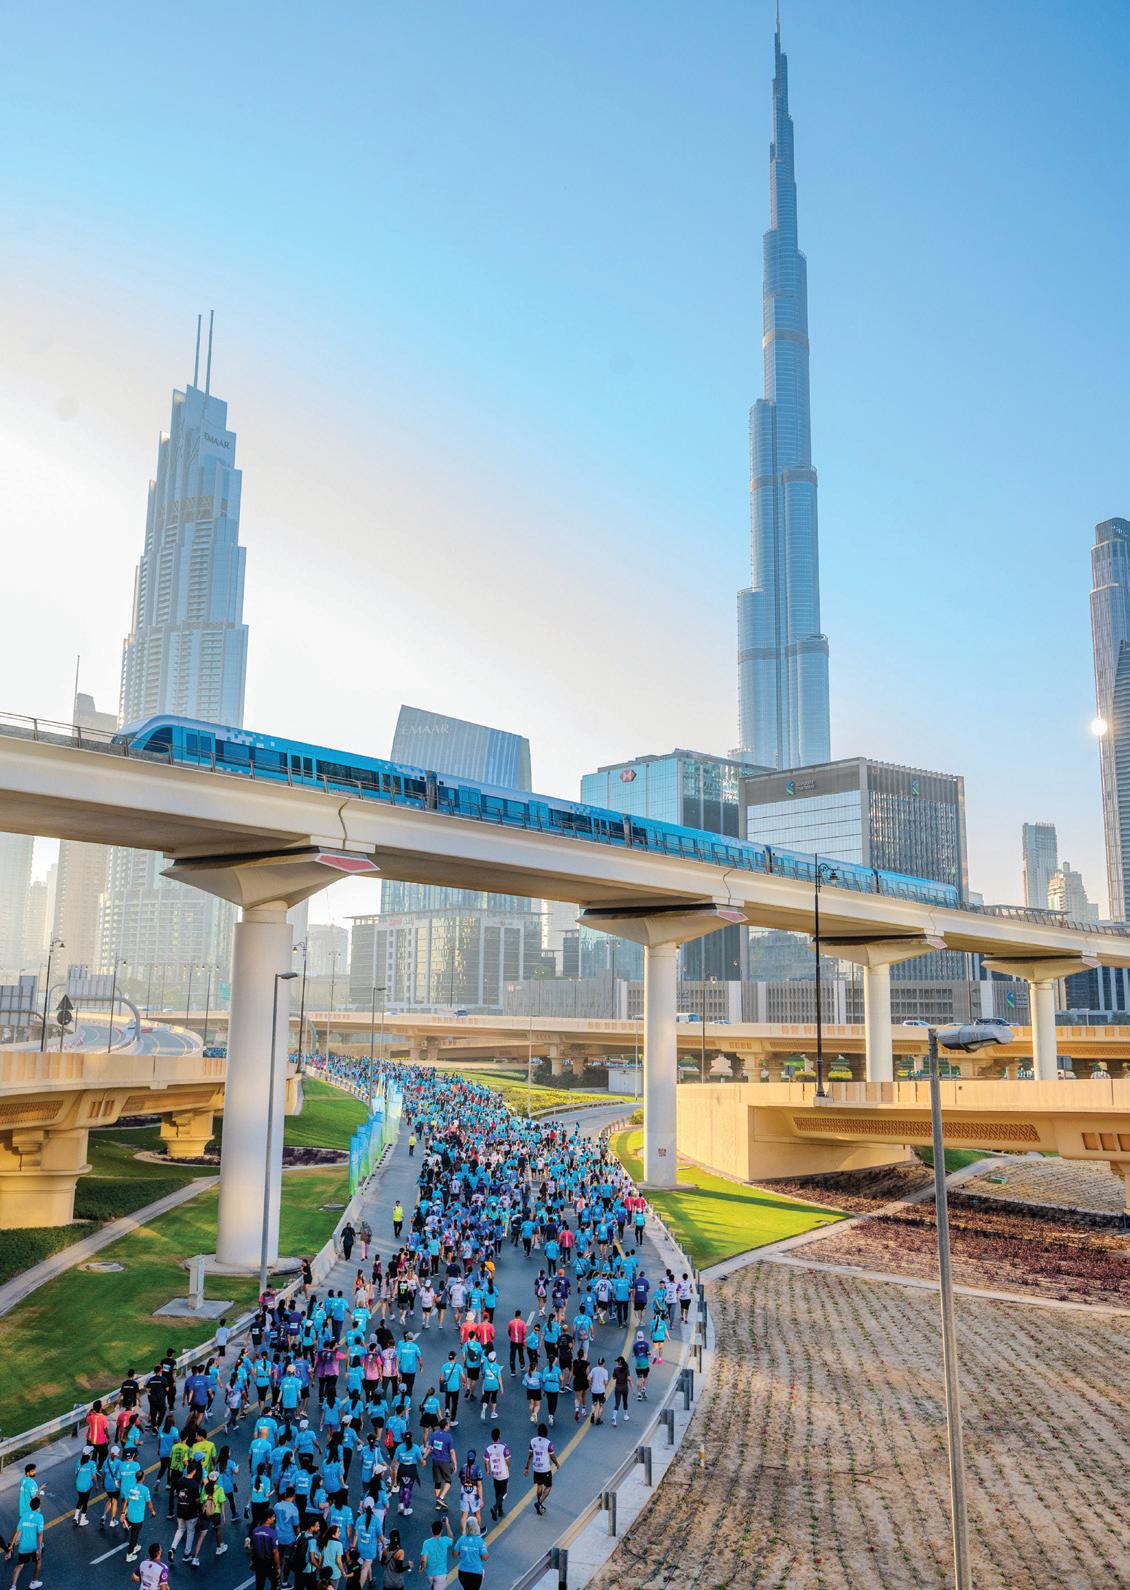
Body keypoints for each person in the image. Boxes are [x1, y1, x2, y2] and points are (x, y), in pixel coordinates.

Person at [522, 1424, 559, 1516]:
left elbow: (530, 1456)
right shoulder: (548, 1443)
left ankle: (539, 1506)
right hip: (545, 1469)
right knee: (548, 1487)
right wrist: (556, 1463)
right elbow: (552, 1456)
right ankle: (538, 1503)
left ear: (538, 1431)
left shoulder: (532, 1441)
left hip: (536, 1468)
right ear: (546, 1432)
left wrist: (526, 1467)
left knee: (539, 1486)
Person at [8, 1495, 43, 1590]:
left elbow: (17, 1532)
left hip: (23, 1546)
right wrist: (39, 1549)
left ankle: (13, 1587)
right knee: (38, 1562)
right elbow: (40, 1534)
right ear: (39, 1506)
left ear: (30, 1506)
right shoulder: (39, 1517)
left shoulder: (24, 1515)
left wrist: (11, 1545)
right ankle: (33, 1582)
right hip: (34, 1546)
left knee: (19, 1565)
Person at [123, 1474, 156, 1563]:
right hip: (138, 1517)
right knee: (134, 1535)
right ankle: (129, 1555)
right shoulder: (145, 1489)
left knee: (133, 1532)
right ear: (143, 1478)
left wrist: (123, 1512)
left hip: (130, 1514)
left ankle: (136, 1546)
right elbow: (149, 1503)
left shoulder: (130, 1487)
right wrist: (153, 1511)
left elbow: (126, 1500)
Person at [418, 1518, 454, 1590]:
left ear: (431, 1530)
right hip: (441, 1575)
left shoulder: (426, 1543)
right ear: (441, 1531)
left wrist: (421, 1568)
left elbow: (423, 1560)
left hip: (430, 1574)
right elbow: (452, 1538)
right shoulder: (445, 1540)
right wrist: (447, 1524)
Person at [453, 1518, 489, 1590]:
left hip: (462, 1572)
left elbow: (454, 1554)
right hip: (476, 1573)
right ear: (477, 1527)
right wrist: (485, 1548)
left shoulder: (461, 1539)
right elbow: (485, 1558)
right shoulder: (480, 1541)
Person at [483, 1428, 510, 1521]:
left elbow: (486, 1462)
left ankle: (500, 1510)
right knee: (504, 1492)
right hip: (503, 1474)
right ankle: (495, 1507)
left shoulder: (488, 1448)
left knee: (498, 1493)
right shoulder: (504, 1446)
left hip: (495, 1474)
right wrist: (508, 1467)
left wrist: (487, 1471)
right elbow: (507, 1460)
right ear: (499, 1436)